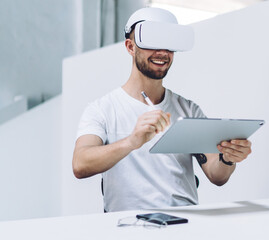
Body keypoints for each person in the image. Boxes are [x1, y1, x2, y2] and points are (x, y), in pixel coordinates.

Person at [72, 7, 252, 212]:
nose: (162, 52)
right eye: (152, 42)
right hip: (127, 225)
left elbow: (217, 175)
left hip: (185, 223)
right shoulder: (102, 109)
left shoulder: (188, 110)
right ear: (130, 47)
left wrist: (227, 158)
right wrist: (132, 141)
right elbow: (80, 164)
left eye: (169, 44)